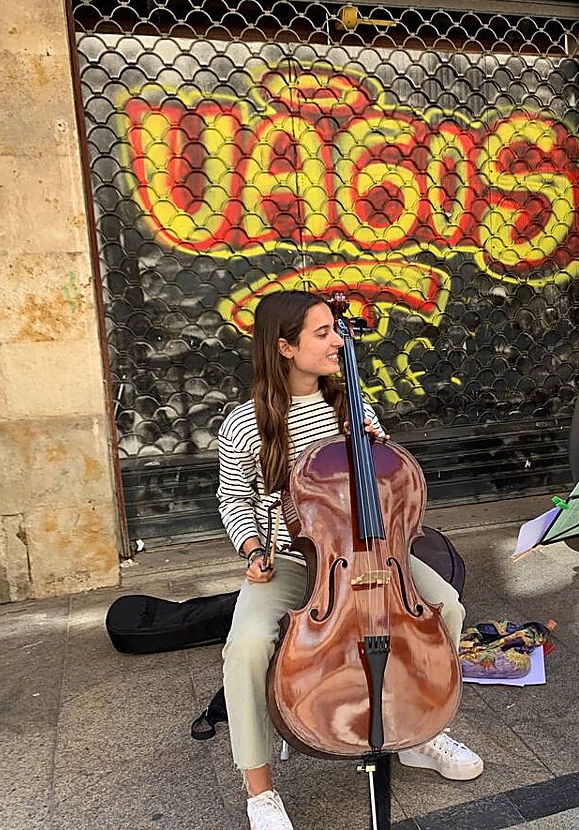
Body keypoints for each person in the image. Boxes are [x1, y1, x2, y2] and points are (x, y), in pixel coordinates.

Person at [217, 289, 483, 830]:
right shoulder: (245, 424)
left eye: (336, 330)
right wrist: (251, 548)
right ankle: (260, 791)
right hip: (294, 562)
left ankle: (421, 732)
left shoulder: (351, 407)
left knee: (447, 609)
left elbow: (392, 489)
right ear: (285, 347)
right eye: (323, 333)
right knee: (245, 646)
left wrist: (379, 451)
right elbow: (233, 499)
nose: (338, 340)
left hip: (374, 555)